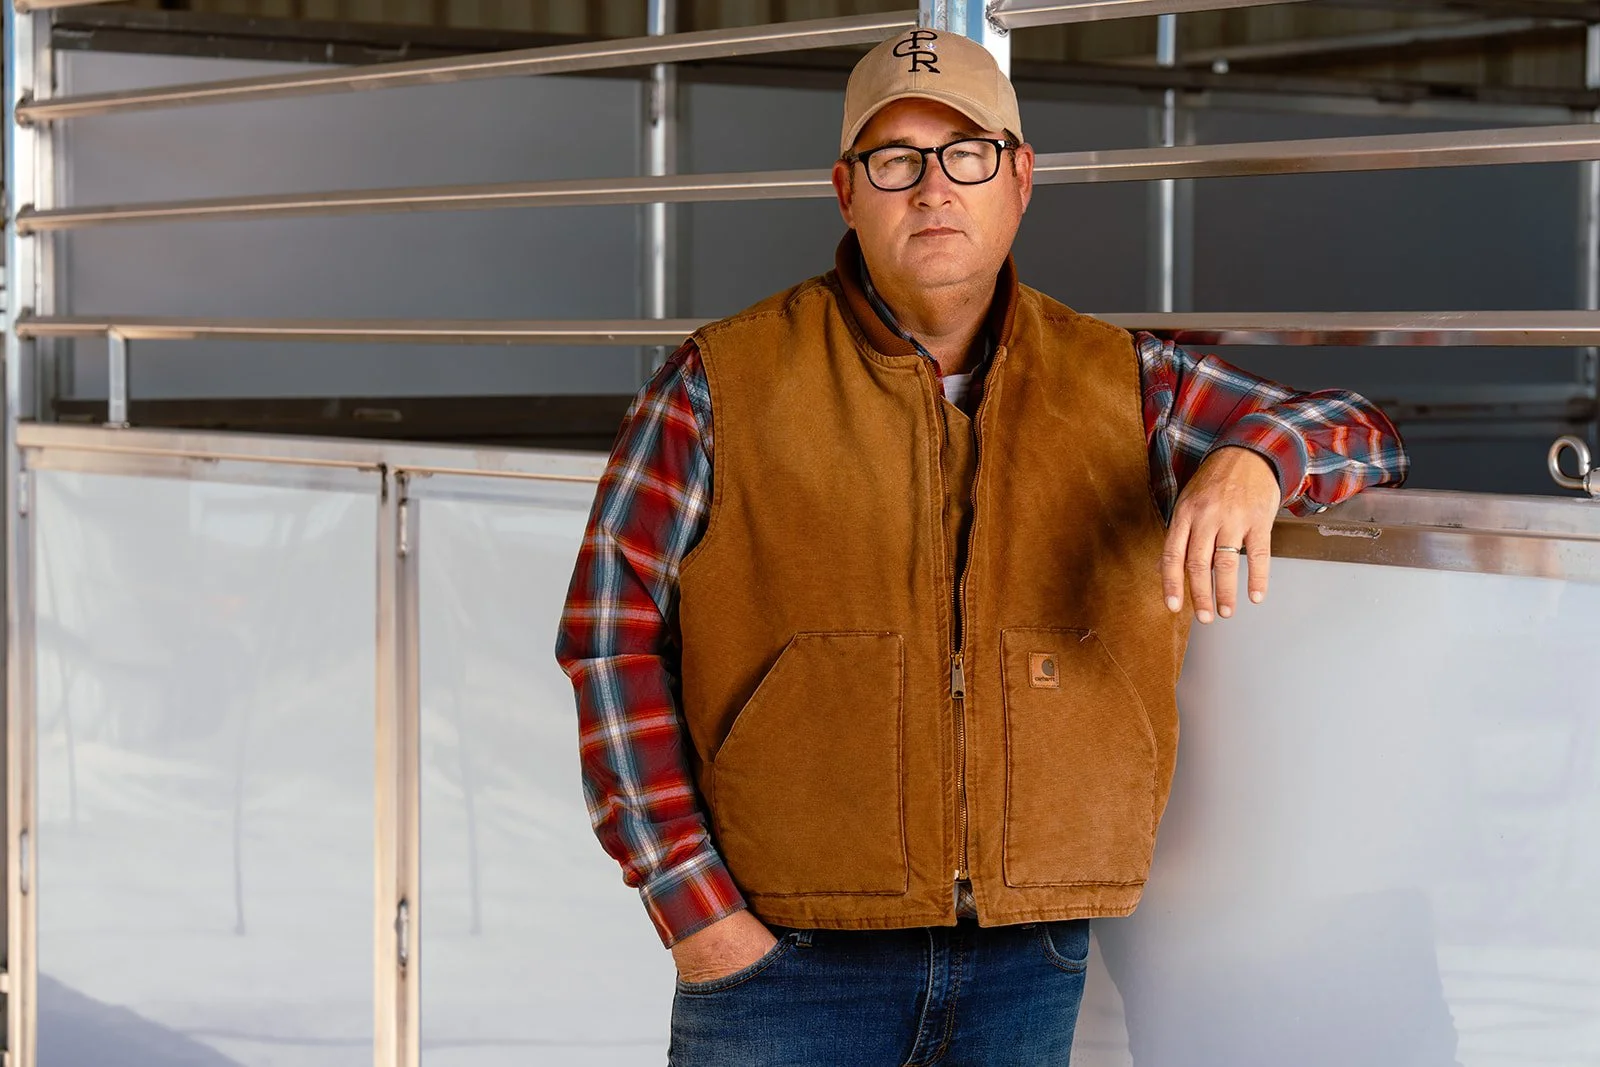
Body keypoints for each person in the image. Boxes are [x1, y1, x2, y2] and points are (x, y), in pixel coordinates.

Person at [557, 28, 1407, 1066]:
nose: (932, 189)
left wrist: (1257, 459)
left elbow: (1363, 429)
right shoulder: (720, 383)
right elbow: (610, 636)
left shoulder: (1123, 382)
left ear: (1019, 178)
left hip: (1023, 959)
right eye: (894, 159)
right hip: (781, 965)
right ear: (845, 191)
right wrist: (697, 910)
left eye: (965, 153)